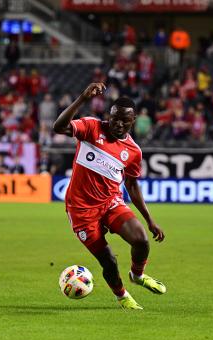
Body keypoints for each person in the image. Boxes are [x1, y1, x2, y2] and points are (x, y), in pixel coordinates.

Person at [53, 82, 166, 310]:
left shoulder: (133, 151)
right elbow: (58, 127)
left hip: (111, 203)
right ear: (109, 116)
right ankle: (122, 296)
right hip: (81, 210)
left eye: (125, 120)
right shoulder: (91, 128)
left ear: (133, 121)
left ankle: (137, 275)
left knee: (141, 240)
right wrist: (82, 98)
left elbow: (132, 186)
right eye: (115, 119)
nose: (119, 124)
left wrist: (150, 220)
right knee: (109, 261)